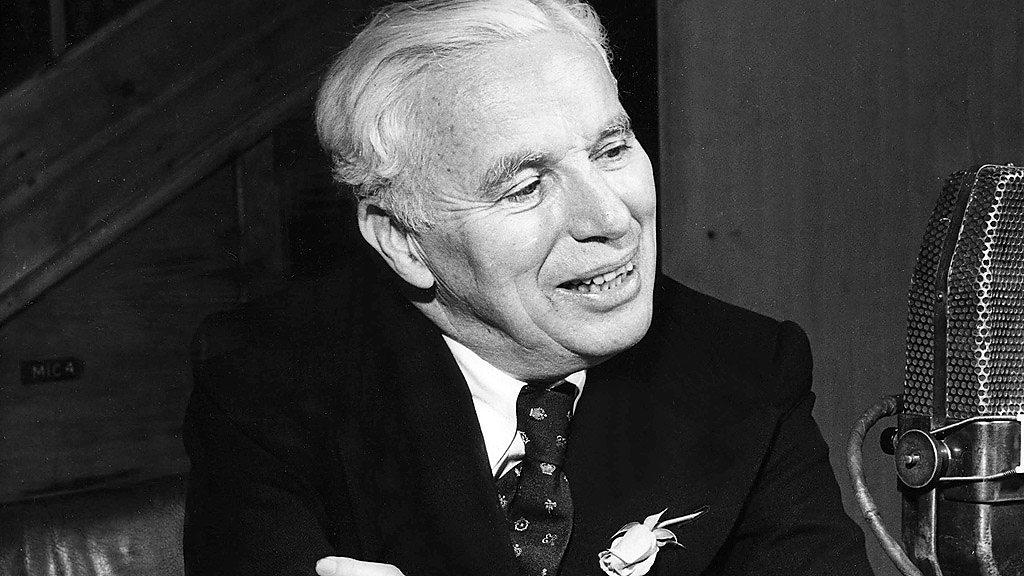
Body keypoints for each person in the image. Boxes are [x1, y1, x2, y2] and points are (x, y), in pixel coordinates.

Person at [182, 1, 874, 575]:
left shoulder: (749, 370)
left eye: (611, 150)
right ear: (402, 239)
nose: (611, 219)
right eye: (525, 186)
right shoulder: (264, 380)